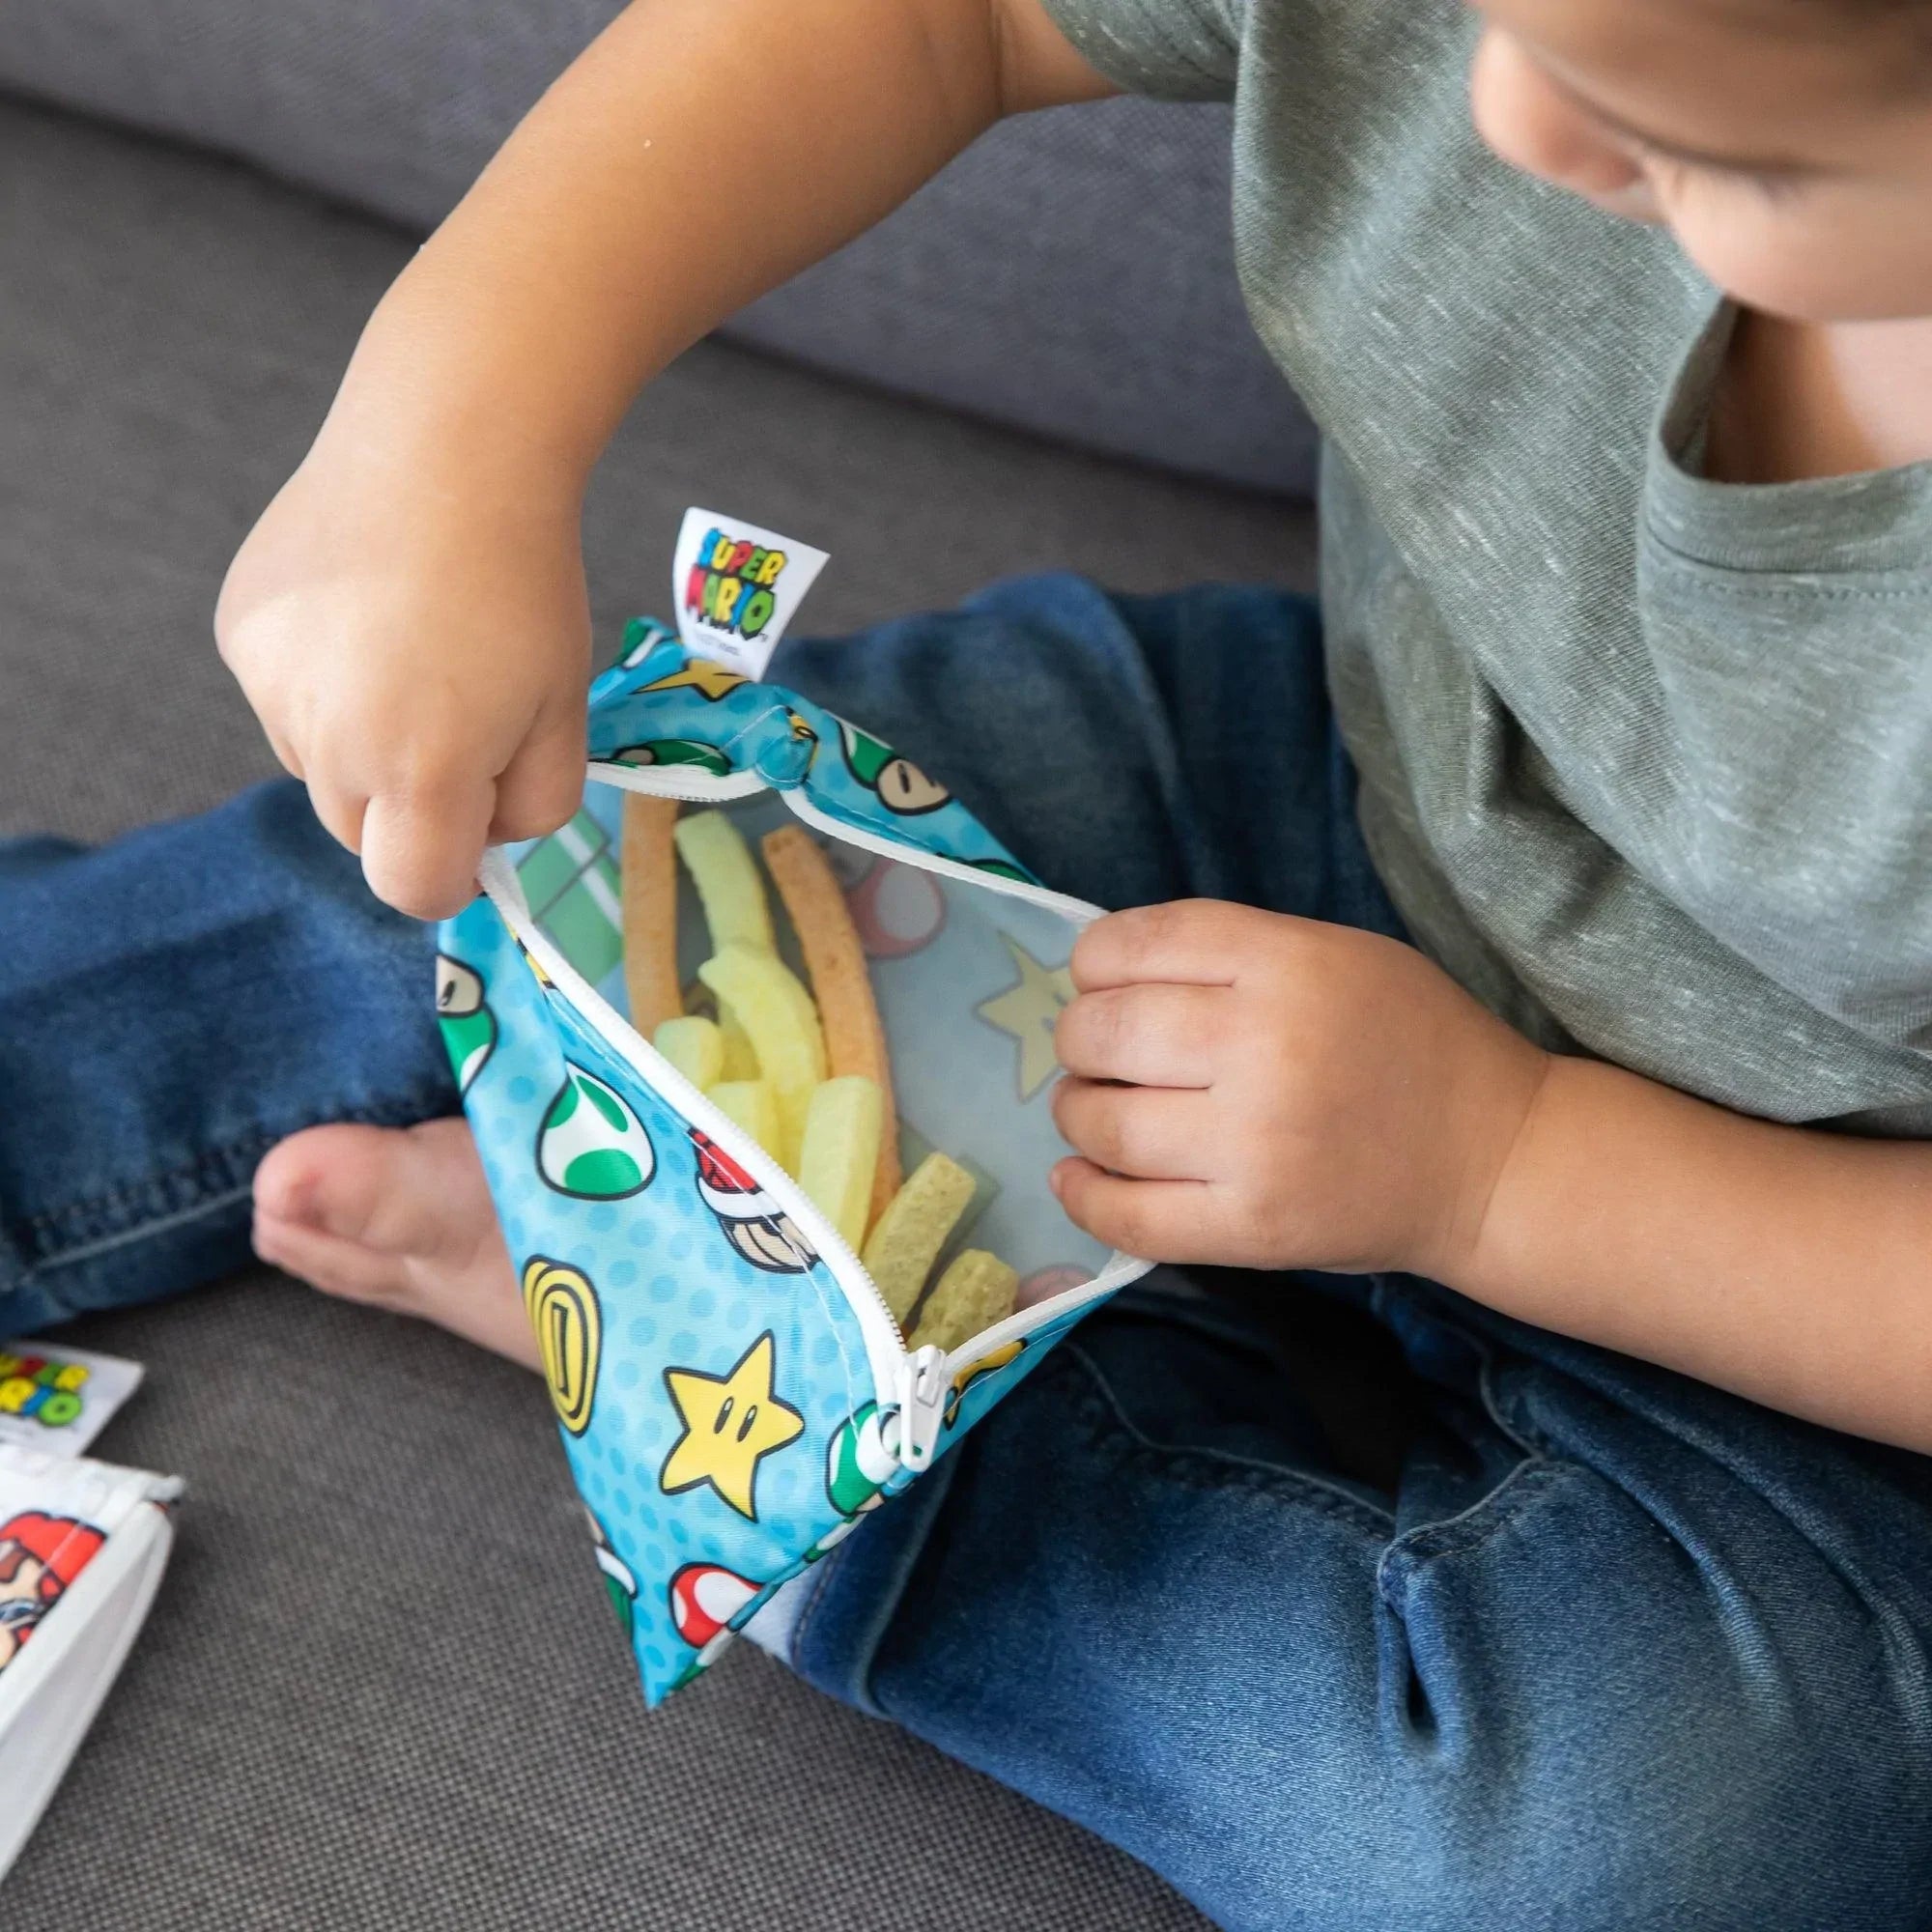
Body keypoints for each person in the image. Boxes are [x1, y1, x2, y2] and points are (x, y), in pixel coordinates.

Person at [5, 0, 1932, 1920]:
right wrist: (450, 412)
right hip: (1325, 784)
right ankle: (694, 1282)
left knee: (1631, 1856)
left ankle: (712, 1394)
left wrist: (1499, 1165)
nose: (1501, 114)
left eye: (1742, 157)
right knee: (515, 822)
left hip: (1803, 1310)